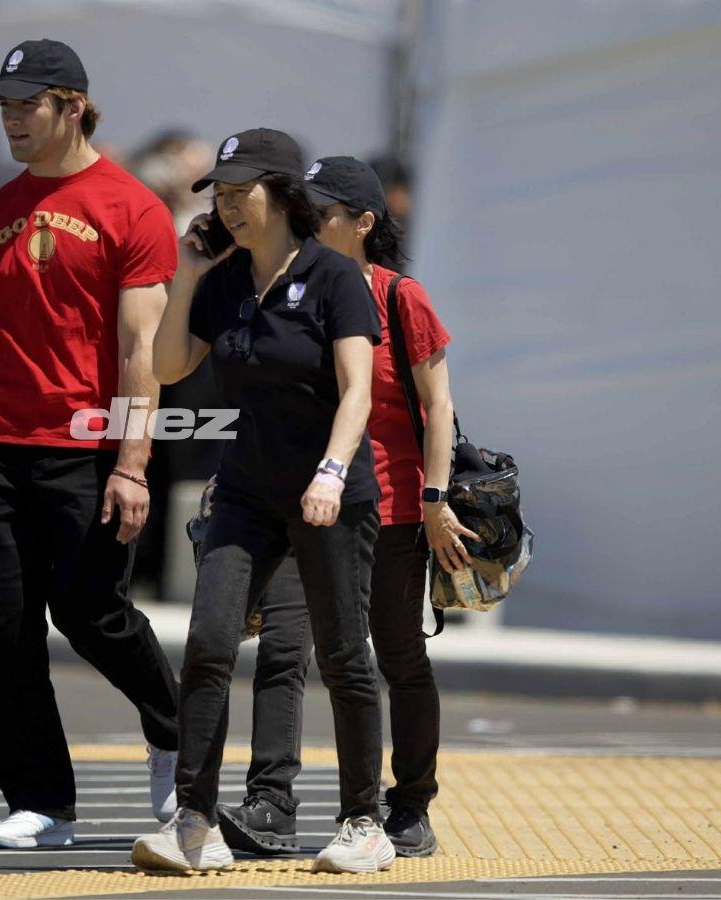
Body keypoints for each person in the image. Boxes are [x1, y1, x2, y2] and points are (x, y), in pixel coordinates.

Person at [0, 39, 181, 850]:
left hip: (87, 445)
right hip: (2, 445)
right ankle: (41, 802)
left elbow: (141, 352)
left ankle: (174, 731)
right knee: (2, 627)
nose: (11, 118)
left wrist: (132, 462)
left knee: (91, 611)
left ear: (72, 104)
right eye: (3, 105)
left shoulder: (132, 207)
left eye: (26, 104)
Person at [131, 129, 393, 875]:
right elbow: (172, 363)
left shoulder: (335, 278)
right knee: (211, 641)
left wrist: (332, 473)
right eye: (218, 193)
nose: (227, 205)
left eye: (240, 191)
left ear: (281, 194)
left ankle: (363, 821)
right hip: (246, 489)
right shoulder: (224, 282)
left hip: (328, 492)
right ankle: (194, 822)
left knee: (343, 656)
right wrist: (185, 274)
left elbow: (358, 392)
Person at [216, 156, 473, 859]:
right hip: (300, 504)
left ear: (364, 223)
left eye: (323, 211)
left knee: (394, 657)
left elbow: (438, 404)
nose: (307, 220)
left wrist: (432, 498)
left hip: (384, 510)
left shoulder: (399, 297)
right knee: (284, 651)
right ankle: (270, 804)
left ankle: (410, 804)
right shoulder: (282, 287)